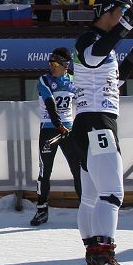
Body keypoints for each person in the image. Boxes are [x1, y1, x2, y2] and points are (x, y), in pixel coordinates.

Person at [68, 0, 133, 265]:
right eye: (123, 12)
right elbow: (92, 58)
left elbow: (112, 81)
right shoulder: (89, 39)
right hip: (96, 123)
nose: (126, 17)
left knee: (91, 198)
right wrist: (126, 27)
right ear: (109, 11)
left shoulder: (103, 44)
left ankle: (95, 261)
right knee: (112, 193)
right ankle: (104, 259)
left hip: (89, 123)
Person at [30, 48, 82, 226]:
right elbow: (50, 104)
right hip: (49, 129)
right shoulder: (44, 80)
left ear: (65, 65)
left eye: (54, 63)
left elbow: (84, 102)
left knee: (78, 169)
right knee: (44, 172)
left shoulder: (73, 81)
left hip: (68, 130)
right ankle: (41, 210)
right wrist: (59, 126)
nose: (51, 66)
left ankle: (86, 209)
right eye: (49, 63)